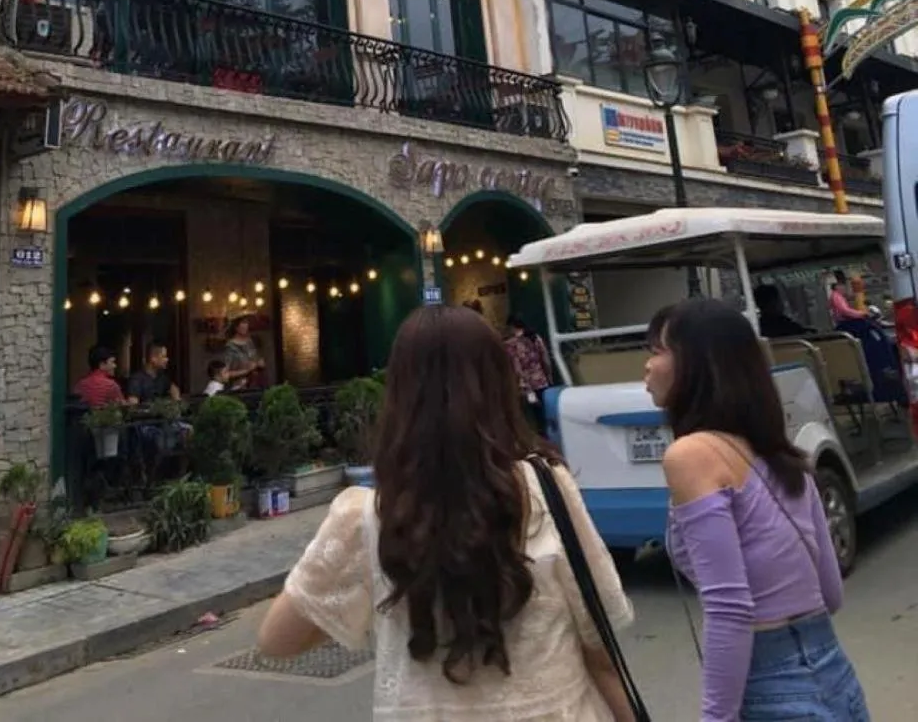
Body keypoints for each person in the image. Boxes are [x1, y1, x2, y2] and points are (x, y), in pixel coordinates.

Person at [258, 305, 636, 721]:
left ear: (399, 393)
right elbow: (598, 636)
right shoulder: (546, 486)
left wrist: (353, 600)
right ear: (498, 382)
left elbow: (277, 639)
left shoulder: (366, 517)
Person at [645, 297, 869, 722]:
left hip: (773, 691)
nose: (647, 366)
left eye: (657, 351)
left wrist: (716, 718)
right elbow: (830, 592)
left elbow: (729, 605)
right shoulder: (785, 458)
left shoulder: (691, 455)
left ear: (698, 364)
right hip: (836, 677)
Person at [503, 313, 553, 432]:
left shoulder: (510, 344)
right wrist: (549, 376)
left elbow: (516, 368)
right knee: (543, 415)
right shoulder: (535, 338)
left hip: (524, 387)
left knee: (527, 419)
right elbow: (545, 359)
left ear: (511, 326)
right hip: (541, 382)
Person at [223, 315, 265, 391]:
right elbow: (225, 374)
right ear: (235, 326)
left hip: (255, 386)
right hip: (238, 389)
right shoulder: (230, 347)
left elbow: (256, 359)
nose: (246, 325)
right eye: (243, 323)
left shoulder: (249, 342)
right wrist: (246, 370)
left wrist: (260, 363)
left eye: (246, 323)